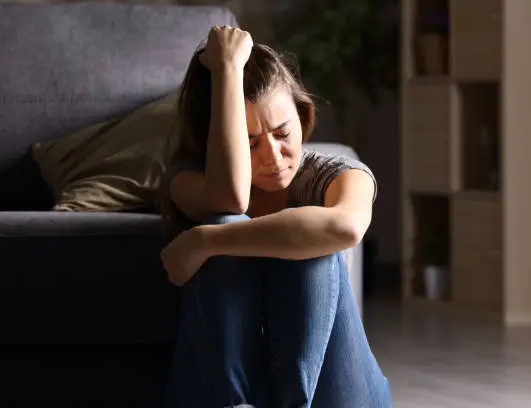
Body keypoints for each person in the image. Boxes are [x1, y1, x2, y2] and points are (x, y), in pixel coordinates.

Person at [159, 25, 392, 408]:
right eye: (250, 142)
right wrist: (228, 69)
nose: (271, 156)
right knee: (227, 221)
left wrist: (202, 241)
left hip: (336, 397)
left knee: (311, 240)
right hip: (226, 393)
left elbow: (346, 226)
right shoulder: (189, 179)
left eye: (283, 133)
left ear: (302, 116)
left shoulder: (338, 174)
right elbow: (230, 199)